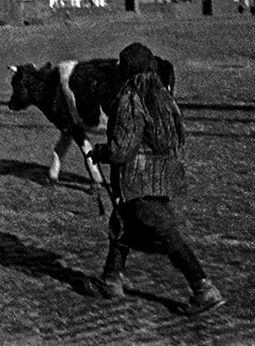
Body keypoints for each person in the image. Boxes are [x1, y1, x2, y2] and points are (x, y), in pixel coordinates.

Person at [84, 42, 225, 315]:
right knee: (121, 224)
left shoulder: (130, 99)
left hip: (138, 181)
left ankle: (203, 288)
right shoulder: (163, 96)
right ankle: (110, 280)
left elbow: (122, 150)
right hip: (161, 177)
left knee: (165, 233)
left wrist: (100, 151)